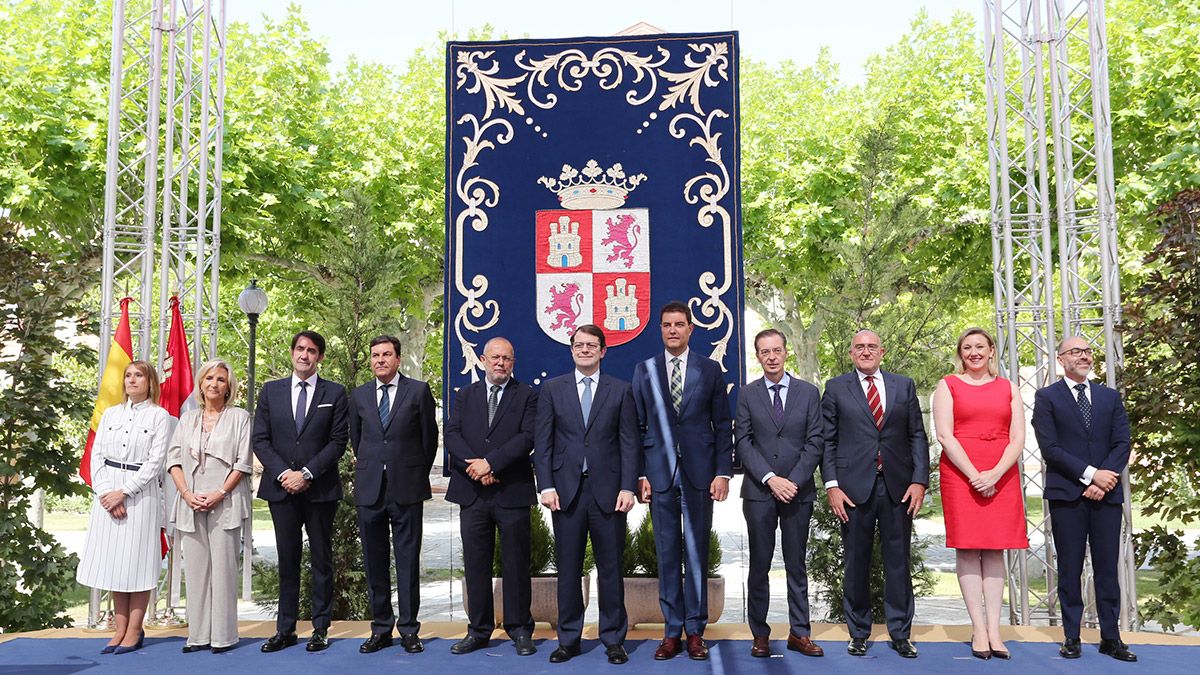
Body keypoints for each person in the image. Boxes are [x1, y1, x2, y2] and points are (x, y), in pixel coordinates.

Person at [631, 302, 734, 661]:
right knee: (667, 554)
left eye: (679, 325)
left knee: (695, 553)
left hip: (700, 474)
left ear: (691, 329)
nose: (673, 330)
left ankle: (695, 631)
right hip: (659, 475)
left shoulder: (709, 370)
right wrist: (641, 474)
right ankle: (671, 631)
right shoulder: (644, 370)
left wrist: (723, 472)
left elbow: (722, 425)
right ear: (660, 330)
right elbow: (637, 428)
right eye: (666, 325)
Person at [821, 329, 930, 659]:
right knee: (856, 562)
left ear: (882, 352)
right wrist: (832, 486)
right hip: (853, 489)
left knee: (898, 562)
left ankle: (900, 633)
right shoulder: (836, 388)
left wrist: (919, 481)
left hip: (898, 486)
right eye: (859, 347)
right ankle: (858, 632)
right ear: (851, 353)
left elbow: (917, 436)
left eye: (871, 347)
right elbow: (828, 441)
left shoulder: (903, 385)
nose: (866, 351)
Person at [534, 324, 638, 665]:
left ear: (603, 351)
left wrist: (628, 486)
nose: (584, 350)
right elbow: (543, 443)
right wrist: (545, 485)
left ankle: (613, 639)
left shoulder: (621, 390)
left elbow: (628, 442)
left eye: (591, 345)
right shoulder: (552, 389)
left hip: (609, 492)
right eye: (579, 345)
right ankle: (569, 639)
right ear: (572, 349)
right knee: (568, 568)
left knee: (611, 569)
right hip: (565, 493)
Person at [1032, 336, 1136, 662]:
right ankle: (1072, 637)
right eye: (1076, 351)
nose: (1084, 356)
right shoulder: (1047, 397)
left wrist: (1102, 480)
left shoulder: (1109, 397)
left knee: (1107, 568)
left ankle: (1111, 637)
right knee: (1070, 568)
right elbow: (1050, 449)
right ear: (1061, 359)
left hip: (1106, 496)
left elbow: (1122, 443)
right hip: (1068, 496)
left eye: (1088, 351)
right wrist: (1090, 475)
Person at [931, 328, 1028, 660]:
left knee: (996, 551)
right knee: (969, 550)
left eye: (979, 347)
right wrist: (975, 476)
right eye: (967, 347)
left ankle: (995, 631)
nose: (973, 352)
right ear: (961, 353)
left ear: (991, 351)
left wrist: (995, 474)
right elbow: (945, 435)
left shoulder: (1009, 388)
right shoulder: (948, 385)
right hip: (961, 474)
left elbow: (1018, 438)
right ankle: (978, 630)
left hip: (1001, 474)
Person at [252, 330, 349, 653]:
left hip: (319, 489)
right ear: (292, 352)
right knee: (287, 560)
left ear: (320, 357)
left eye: (311, 351)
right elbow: (261, 439)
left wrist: (306, 473)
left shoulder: (334, 393)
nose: (304, 355)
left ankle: (320, 628)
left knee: (322, 560)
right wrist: (283, 474)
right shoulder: (271, 391)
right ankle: (286, 629)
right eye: (299, 349)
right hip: (281, 490)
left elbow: (338, 441)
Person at [444, 337, 538, 657]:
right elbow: (452, 434)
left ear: (513, 363)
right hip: (473, 494)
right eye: (495, 357)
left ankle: (520, 629)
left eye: (507, 359)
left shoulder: (526, 395)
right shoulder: (464, 395)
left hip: (511, 491)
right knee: (476, 565)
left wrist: (492, 463)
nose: (500, 363)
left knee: (516, 565)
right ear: (482, 360)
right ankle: (479, 630)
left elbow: (527, 437)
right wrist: (477, 468)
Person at [735, 329, 825, 659]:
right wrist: (772, 479)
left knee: (796, 565)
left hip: (798, 493)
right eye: (764, 352)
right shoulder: (747, 394)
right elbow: (743, 442)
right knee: (759, 565)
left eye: (776, 350)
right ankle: (760, 634)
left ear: (786, 352)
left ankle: (799, 633)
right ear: (757, 356)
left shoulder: (808, 392)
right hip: (760, 492)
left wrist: (793, 481)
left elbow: (816, 441)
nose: (771, 356)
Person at [348, 335, 438, 654]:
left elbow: (429, 440)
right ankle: (381, 628)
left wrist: (411, 470)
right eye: (375, 355)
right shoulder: (358, 396)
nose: (380, 360)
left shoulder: (418, 391)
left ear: (398, 359)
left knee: (407, 560)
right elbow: (357, 441)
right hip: (370, 488)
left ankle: (410, 630)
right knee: (375, 562)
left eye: (387, 354)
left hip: (407, 487)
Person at [76, 360, 171, 655]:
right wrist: (106, 492)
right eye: (128, 375)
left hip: (140, 497)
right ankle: (118, 629)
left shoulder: (160, 416)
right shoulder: (111, 414)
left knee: (137, 563)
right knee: (117, 563)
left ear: (150, 382)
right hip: (108, 495)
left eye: (138, 375)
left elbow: (156, 461)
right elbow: (97, 455)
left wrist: (125, 492)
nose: (132, 380)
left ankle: (134, 629)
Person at [166, 358, 254, 654]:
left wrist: (219, 492)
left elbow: (243, 462)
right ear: (200, 384)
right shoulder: (186, 419)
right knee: (195, 571)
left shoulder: (240, 417)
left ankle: (223, 637)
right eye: (209, 379)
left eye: (220, 379)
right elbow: (173, 460)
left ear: (229, 386)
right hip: (190, 502)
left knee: (224, 571)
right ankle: (198, 635)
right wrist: (187, 493)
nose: (214, 384)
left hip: (225, 501)